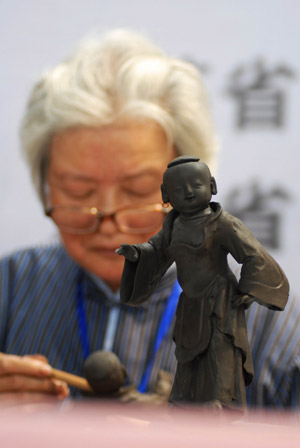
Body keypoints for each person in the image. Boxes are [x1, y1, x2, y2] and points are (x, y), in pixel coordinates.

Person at [0, 29, 299, 407]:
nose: (107, 219)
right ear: (45, 184)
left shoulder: (271, 330)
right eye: (78, 191)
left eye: (138, 190)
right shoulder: (9, 291)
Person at [117, 156, 289, 409]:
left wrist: (249, 289)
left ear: (212, 185)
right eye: (179, 188)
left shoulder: (223, 224)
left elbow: (253, 255)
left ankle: (220, 402)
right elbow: (156, 249)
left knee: (220, 351)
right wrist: (137, 254)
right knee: (188, 353)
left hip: (220, 299)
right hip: (190, 301)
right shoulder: (172, 225)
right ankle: (184, 401)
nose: (188, 192)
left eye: (196, 184)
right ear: (165, 194)